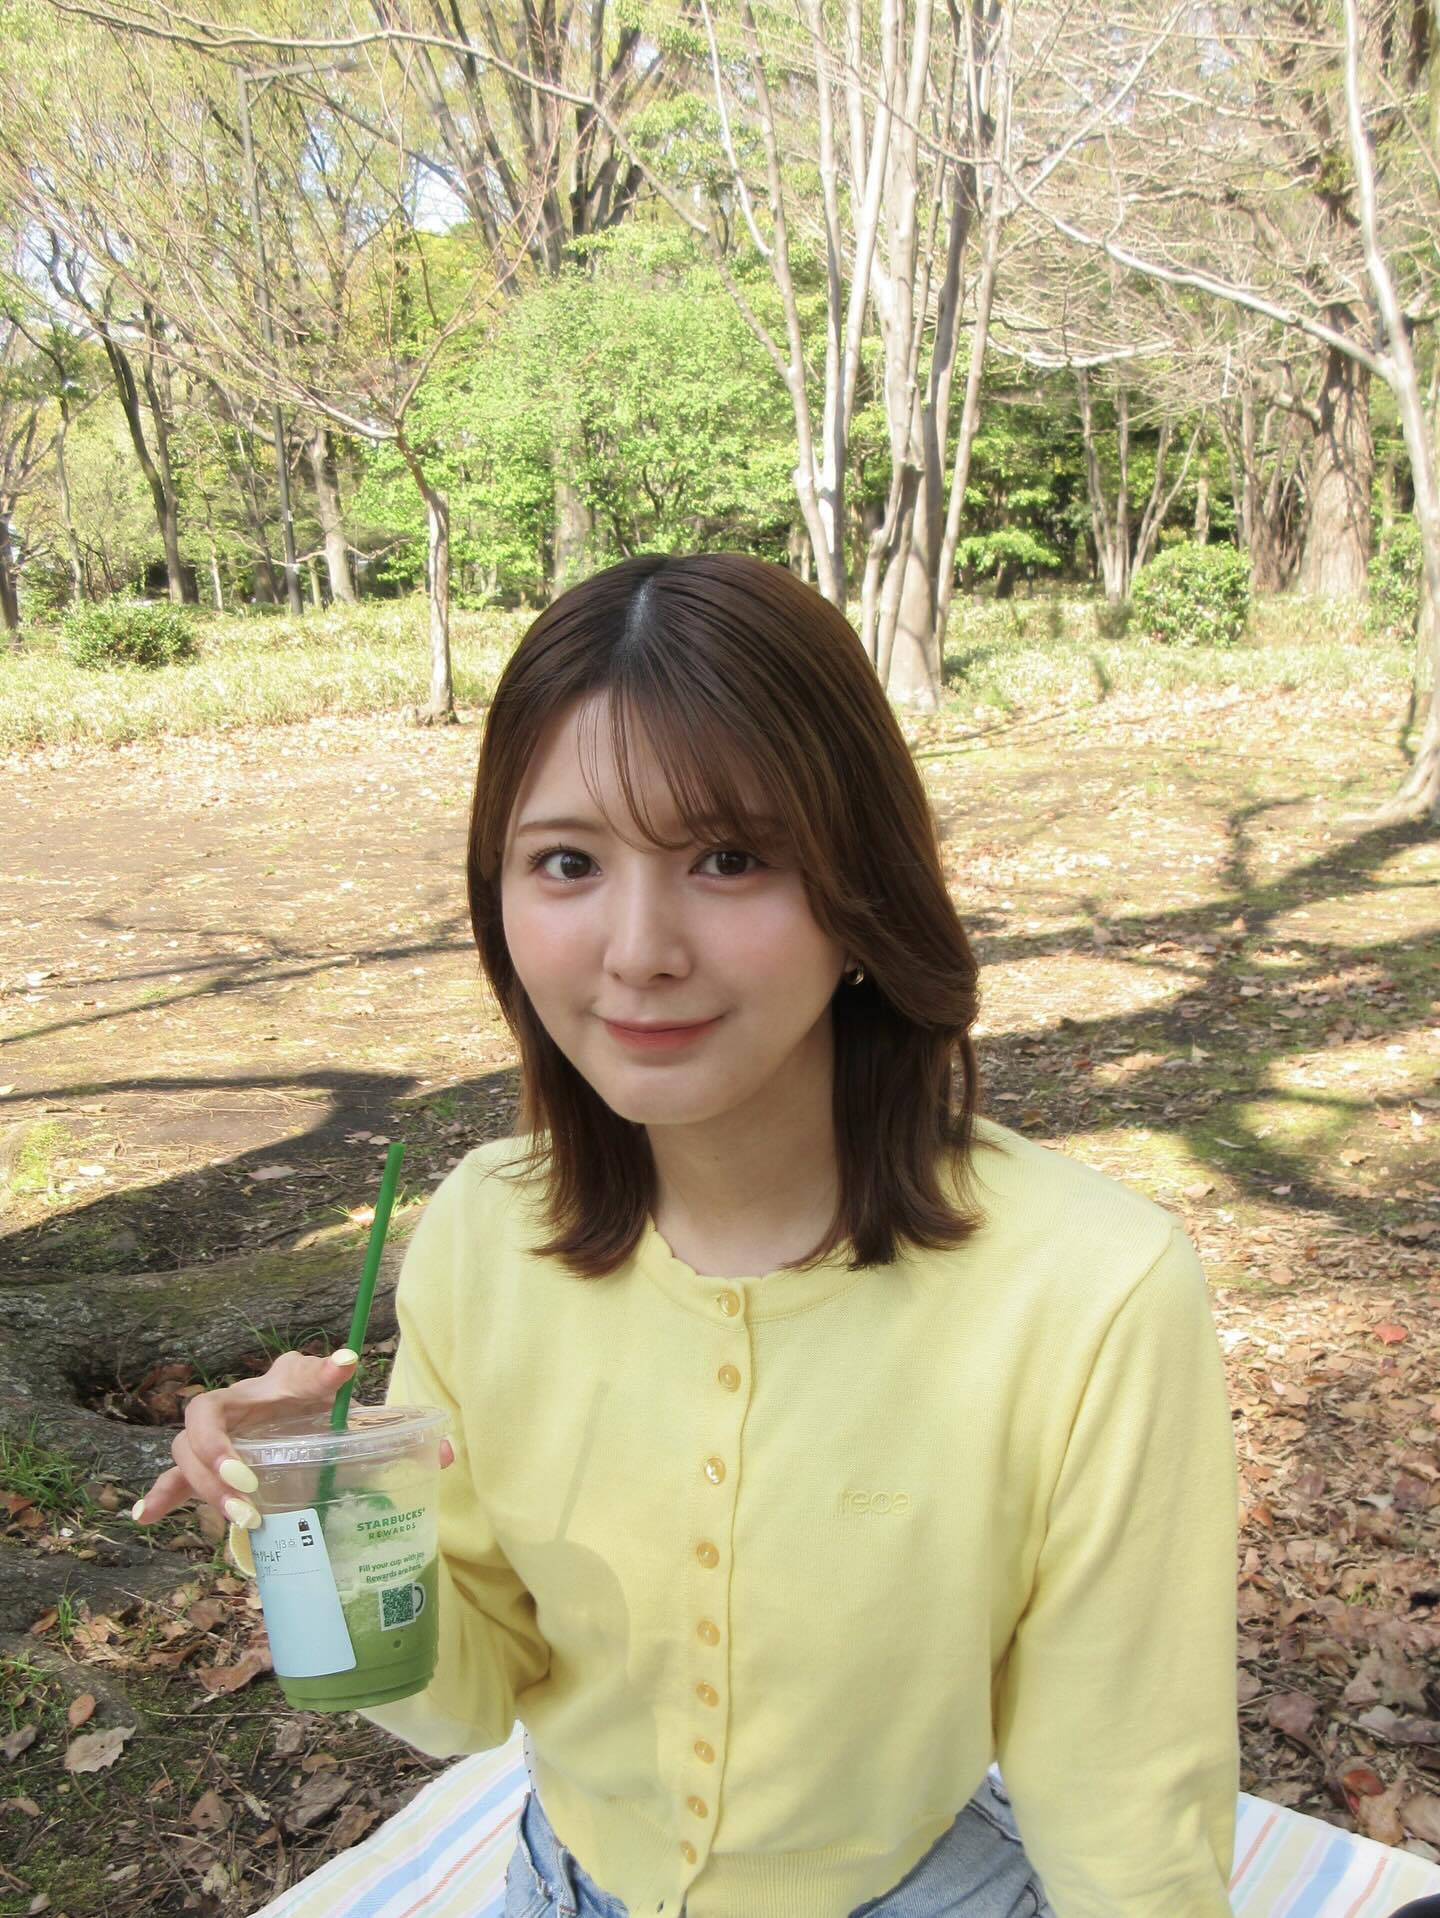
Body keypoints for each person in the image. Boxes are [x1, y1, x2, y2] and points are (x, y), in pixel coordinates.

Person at [135, 552, 1243, 1918]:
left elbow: (1124, 1801)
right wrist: (316, 1514)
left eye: (730, 857)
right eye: (567, 862)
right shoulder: (484, 1233)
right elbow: (466, 1698)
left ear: (862, 887)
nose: (639, 948)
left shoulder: (1092, 1289)